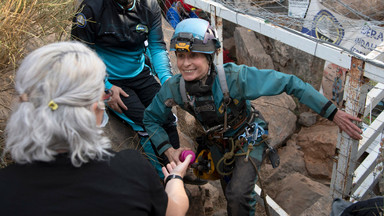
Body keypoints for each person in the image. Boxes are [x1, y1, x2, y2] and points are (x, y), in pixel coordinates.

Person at [143, 18, 363, 216]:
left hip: (248, 137)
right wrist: (168, 149)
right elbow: (150, 118)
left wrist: (332, 113)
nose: (185, 63)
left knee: (238, 196)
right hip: (217, 143)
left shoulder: (235, 79)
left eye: (193, 55)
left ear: (209, 56)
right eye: (180, 56)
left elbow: (290, 83)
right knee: (228, 189)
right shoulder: (175, 89)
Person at [0, 41, 190, 216]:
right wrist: (174, 180)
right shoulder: (130, 171)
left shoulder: (6, 186)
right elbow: (174, 210)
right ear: (94, 110)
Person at [71, 0, 180, 178]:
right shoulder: (91, 8)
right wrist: (104, 87)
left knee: (166, 116)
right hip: (108, 79)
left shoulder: (150, 5)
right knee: (143, 120)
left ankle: (178, 168)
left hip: (139, 73)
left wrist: (167, 81)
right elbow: (80, 53)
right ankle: (165, 177)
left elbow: (156, 46)